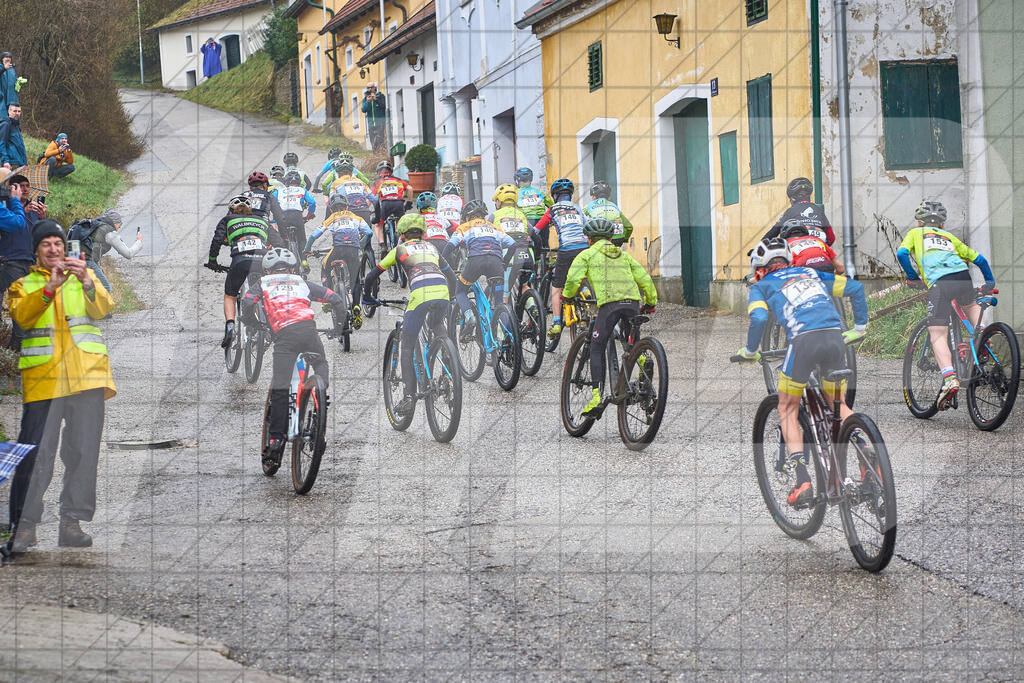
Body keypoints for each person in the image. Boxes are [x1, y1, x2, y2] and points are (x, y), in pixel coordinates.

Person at [6, 219, 116, 554]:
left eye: (58, 243)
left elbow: (104, 308)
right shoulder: (23, 285)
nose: (54, 250)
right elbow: (22, 316)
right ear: (36, 252)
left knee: (83, 454)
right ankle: (24, 527)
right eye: (46, 245)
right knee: (35, 456)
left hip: (87, 378)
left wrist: (85, 280)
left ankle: (72, 522)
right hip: (44, 383)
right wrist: (50, 288)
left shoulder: (86, 276)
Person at [736, 237, 868, 506]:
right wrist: (860, 329)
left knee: (787, 407)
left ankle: (803, 479)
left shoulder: (761, 286)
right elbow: (854, 289)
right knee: (838, 403)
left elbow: (760, 318)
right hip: (834, 337)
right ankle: (865, 450)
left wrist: (750, 352)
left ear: (759, 269)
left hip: (803, 343)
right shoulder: (812, 273)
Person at [241, 248, 343, 469]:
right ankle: (320, 398)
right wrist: (339, 327)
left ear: (266, 269)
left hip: (285, 338)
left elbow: (248, 302)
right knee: (320, 363)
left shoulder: (263, 283)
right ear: (293, 267)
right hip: (309, 332)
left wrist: (250, 322)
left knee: (281, 387)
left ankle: (276, 440)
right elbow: (334, 298)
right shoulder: (301, 282)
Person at [896, 200, 995, 408]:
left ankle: (950, 380)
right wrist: (989, 282)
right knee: (969, 306)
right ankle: (984, 337)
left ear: (919, 223)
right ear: (942, 225)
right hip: (962, 276)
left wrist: (913, 277)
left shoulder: (916, 234)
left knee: (937, 333)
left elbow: (902, 254)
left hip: (940, 283)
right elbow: (980, 260)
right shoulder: (949, 237)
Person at [563, 218, 658, 417]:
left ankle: (597, 396)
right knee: (632, 343)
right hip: (632, 303)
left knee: (597, 347)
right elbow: (644, 278)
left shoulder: (587, 254)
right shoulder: (623, 255)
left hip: (609, 305)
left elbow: (573, 279)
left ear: (589, 239)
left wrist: (567, 296)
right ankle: (642, 363)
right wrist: (650, 302)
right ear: (610, 237)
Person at [363, 213, 452, 417]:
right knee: (438, 327)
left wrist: (367, 297)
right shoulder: (432, 248)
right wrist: (451, 297)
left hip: (420, 295)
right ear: (423, 233)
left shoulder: (399, 249)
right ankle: (449, 368)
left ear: (401, 235)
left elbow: (371, 276)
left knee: (407, 344)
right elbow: (451, 276)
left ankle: (409, 396)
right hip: (442, 292)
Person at [206, 195, 283, 349]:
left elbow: (217, 239)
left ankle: (230, 326)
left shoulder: (228, 220)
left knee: (230, 295)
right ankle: (268, 323)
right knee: (263, 292)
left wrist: (213, 261)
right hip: (261, 260)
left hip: (240, 261)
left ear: (231, 210)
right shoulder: (262, 220)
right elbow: (278, 242)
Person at [442, 199, 516, 328]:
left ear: (467, 217)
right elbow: (513, 245)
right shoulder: (494, 227)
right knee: (499, 304)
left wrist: (441, 263)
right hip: (496, 263)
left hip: (475, 261)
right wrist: (505, 262)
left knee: (459, 291)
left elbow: (450, 246)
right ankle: (508, 340)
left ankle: (469, 316)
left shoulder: (465, 226)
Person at [302, 193, 372, 328]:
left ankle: (327, 300)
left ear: (332, 209)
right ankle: (356, 306)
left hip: (337, 249)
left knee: (324, 267)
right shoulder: (355, 217)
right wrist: (361, 244)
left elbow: (313, 236)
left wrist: (307, 250)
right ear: (347, 206)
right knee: (355, 279)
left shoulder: (332, 218)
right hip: (353, 250)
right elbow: (369, 233)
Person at [531, 178, 589, 338]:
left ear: (555, 196)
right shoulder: (578, 208)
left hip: (567, 249)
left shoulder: (552, 210)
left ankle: (556, 323)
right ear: (570, 195)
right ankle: (585, 291)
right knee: (582, 275)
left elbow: (536, 230)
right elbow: (588, 225)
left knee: (557, 286)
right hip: (584, 247)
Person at [67, 210, 144, 293]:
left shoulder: (96, 225)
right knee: (106, 288)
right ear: (115, 222)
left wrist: (96, 264)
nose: (120, 227)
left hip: (73, 258)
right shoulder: (109, 232)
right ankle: (99, 305)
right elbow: (128, 254)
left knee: (86, 288)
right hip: (86, 261)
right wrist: (139, 241)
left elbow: (89, 246)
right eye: (120, 224)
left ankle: (90, 303)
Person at [0, 173, 30, 352]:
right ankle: (15, 349)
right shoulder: (10, 206)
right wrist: (17, 202)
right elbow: (18, 224)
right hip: (9, 262)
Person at [763, 177, 835, 245]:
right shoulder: (818, 210)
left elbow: (773, 232)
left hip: (797, 250)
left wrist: (760, 246)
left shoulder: (790, 211)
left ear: (792, 199)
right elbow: (831, 238)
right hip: (820, 249)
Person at [490, 183, 532, 296]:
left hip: (507, 254)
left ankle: (504, 311)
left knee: (505, 287)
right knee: (522, 285)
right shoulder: (521, 214)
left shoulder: (494, 215)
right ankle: (533, 306)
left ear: (499, 201)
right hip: (526, 253)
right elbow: (533, 233)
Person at [369, 160, 412, 257]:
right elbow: (410, 189)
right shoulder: (398, 180)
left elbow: (371, 197)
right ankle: (403, 243)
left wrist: (365, 208)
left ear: (379, 172)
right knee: (400, 225)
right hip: (399, 204)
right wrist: (409, 203)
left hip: (386, 204)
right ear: (391, 171)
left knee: (378, 225)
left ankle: (382, 245)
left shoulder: (378, 182)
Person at [273, 170, 316, 252]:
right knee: (302, 240)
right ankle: (304, 261)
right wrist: (309, 215)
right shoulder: (302, 190)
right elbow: (312, 202)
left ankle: (285, 259)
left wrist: (275, 219)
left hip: (282, 217)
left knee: (283, 240)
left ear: (285, 183)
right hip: (297, 216)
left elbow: (272, 203)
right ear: (299, 183)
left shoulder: (278, 191)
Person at [326, 159, 376, 227]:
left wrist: (327, 220)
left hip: (347, 213)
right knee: (368, 233)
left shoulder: (335, 184)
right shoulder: (361, 182)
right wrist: (378, 216)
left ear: (338, 173)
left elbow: (331, 201)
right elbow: (374, 200)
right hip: (363, 211)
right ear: (352, 173)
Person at [583, 181, 633, 247]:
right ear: (609, 197)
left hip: (600, 239)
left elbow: (581, 219)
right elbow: (629, 227)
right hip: (618, 238)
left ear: (594, 197)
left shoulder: (589, 206)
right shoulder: (614, 206)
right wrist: (625, 239)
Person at [361, 83, 387, 152]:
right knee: (373, 144)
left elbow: (384, 106)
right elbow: (363, 110)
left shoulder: (380, 96)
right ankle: (376, 159)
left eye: (371, 87)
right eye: (368, 88)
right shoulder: (365, 99)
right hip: (371, 125)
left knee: (381, 143)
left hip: (380, 124)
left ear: (374, 88)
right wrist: (368, 102)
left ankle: (383, 157)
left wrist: (376, 99)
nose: (369, 89)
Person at [0, 103, 27, 169]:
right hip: (11, 163)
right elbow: (1, 144)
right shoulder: (6, 124)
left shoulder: (17, 127)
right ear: (9, 111)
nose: (17, 113)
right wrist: (5, 161)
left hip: (20, 163)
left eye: (19, 111)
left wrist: (25, 163)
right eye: (14, 111)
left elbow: (20, 146)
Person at [0, 52, 21, 118]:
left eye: (9, 57)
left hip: (11, 98)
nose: (8, 59)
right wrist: (3, 68)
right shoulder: (1, 67)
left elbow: (14, 81)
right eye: (6, 57)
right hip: (2, 96)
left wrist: (18, 82)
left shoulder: (12, 69)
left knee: (13, 117)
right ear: (2, 59)